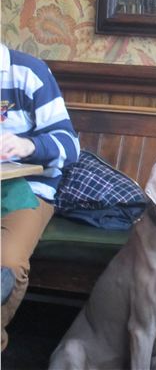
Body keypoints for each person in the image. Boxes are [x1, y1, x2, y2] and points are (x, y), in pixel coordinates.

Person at [0, 43, 80, 350]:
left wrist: (28, 146)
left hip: (28, 189)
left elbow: (69, 145)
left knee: (6, 263)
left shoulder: (29, 72)